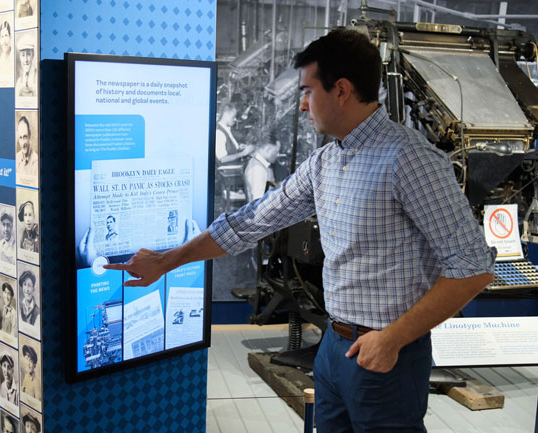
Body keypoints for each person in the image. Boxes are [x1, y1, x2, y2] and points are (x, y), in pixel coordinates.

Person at [106, 29, 496, 432]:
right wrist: (167, 261)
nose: (303, 103)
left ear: (341, 90)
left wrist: (393, 339)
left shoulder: (409, 159)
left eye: (309, 91)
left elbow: (473, 267)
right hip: (333, 347)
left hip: (387, 356)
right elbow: (252, 221)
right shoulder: (325, 162)